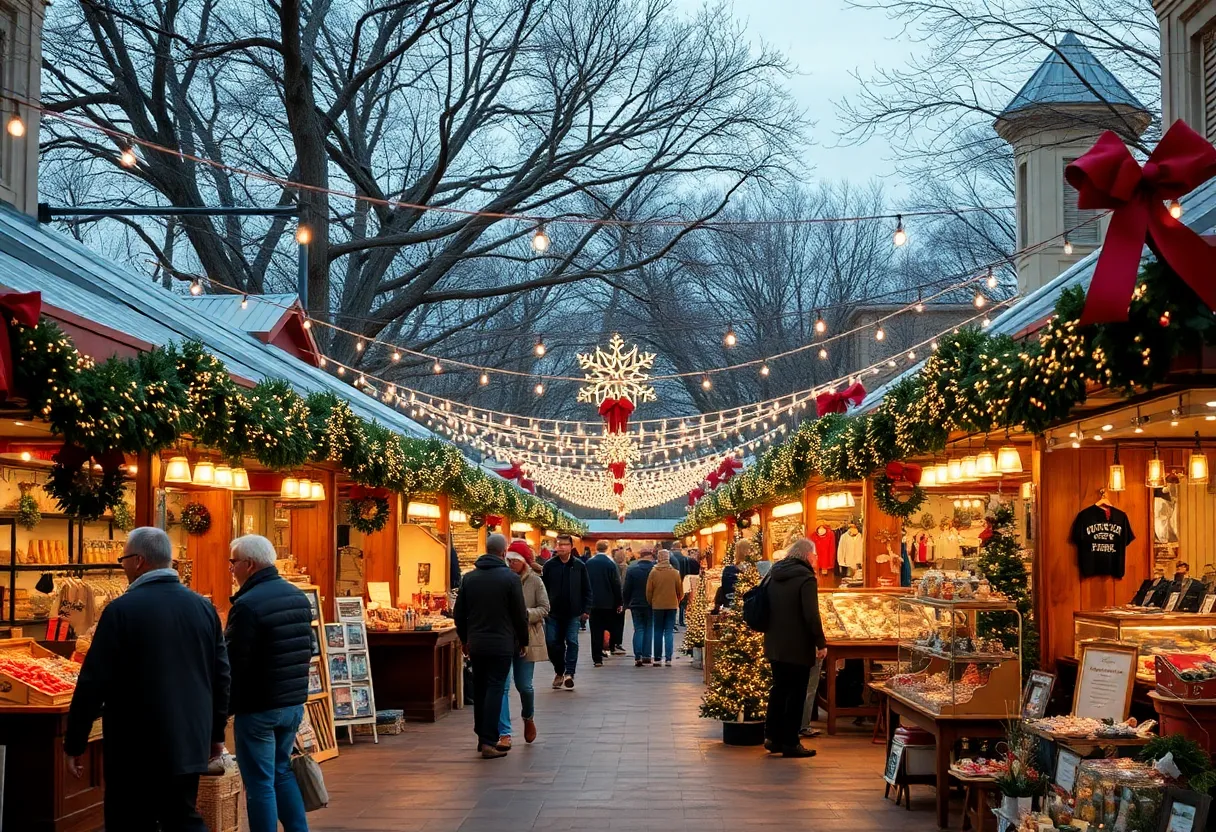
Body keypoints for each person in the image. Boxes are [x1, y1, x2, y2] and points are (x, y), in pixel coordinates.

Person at [65, 527, 230, 831]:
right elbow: (221, 675)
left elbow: (93, 681)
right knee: (181, 817)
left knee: (129, 820)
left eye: (123, 559)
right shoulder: (204, 609)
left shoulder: (121, 610)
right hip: (188, 740)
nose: (123, 565)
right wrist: (216, 733)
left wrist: (75, 741)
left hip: (133, 746)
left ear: (138, 561)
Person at [225, 534, 313, 832]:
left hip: (258, 706)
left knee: (259, 781)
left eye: (232, 563)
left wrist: (222, 709)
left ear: (248, 564)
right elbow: (305, 648)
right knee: (281, 771)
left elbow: (234, 662)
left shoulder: (247, 604)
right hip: (291, 702)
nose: (232, 570)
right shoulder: (297, 596)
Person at [453, 533, 529, 758]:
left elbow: (459, 614)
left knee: (481, 689)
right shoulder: (510, 579)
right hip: (501, 644)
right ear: (504, 552)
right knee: (496, 688)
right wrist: (523, 641)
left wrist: (465, 638)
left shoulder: (469, 578)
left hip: (476, 643)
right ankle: (488, 740)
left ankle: (481, 737)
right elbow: (519, 615)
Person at [763, 538, 826, 759]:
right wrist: (821, 642)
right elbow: (811, 615)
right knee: (797, 693)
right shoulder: (806, 578)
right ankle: (791, 742)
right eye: (815, 554)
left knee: (779, 689)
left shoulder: (774, 573)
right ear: (807, 555)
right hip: (797, 645)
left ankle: (772, 737)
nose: (816, 559)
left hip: (774, 643)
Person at [498, 545, 549, 749]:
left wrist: (525, 614)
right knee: (503, 686)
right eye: (509, 560)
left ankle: (528, 717)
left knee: (524, 686)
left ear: (525, 562)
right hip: (503, 638)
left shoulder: (535, 581)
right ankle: (505, 732)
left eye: (515, 561)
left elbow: (545, 607)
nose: (511, 564)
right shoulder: (501, 580)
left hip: (526, 639)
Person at [541, 533, 591, 689]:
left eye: (564, 544)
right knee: (552, 643)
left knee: (572, 642)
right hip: (553, 613)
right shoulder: (549, 565)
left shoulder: (579, 566)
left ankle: (569, 673)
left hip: (573, 612)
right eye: (559, 544)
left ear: (571, 547)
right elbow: (543, 589)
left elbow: (586, 589)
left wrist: (586, 609)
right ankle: (559, 670)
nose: (561, 547)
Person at [585, 541, 623, 667]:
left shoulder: (589, 563)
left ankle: (597, 658)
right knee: (609, 627)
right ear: (607, 549)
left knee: (595, 630)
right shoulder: (610, 563)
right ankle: (608, 648)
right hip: (609, 602)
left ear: (596, 548)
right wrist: (619, 602)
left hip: (593, 602)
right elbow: (616, 583)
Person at [646, 549, 684, 666]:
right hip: (672, 605)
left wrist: (652, 602)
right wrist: (676, 600)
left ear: (658, 558)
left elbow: (649, 591)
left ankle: (657, 658)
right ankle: (668, 658)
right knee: (668, 631)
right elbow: (680, 592)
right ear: (668, 558)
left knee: (657, 631)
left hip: (657, 605)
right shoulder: (675, 573)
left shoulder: (653, 572)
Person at [622, 547, 657, 665]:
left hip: (636, 603)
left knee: (638, 629)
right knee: (649, 628)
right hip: (652, 603)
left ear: (640, 556)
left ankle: (638, 656)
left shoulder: (632, 570)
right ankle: (647, 655)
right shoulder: (655, 570)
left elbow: (627, 589)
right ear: (651, 556)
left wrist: (626, 603)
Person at [611, 547, 629, 654]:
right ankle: (618, 642)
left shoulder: (611, 566)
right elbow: (624, 584)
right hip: (621, 598)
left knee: (612, 621)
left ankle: (611, 643)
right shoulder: (626, 568)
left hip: (611, 598)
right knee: (620, 621)